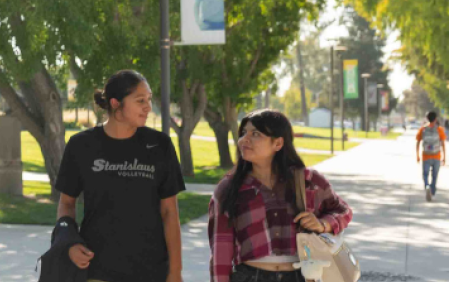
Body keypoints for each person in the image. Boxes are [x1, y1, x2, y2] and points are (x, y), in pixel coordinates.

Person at [55, 70, 185, 282]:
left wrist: (175, 272)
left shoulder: (160, 146)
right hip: (97, 269)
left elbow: (170, 212)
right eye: (140, 100)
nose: (148, 107)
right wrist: (69, 241)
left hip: (151, 271)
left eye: (149, 99)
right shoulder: (81, 146)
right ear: (116, 104)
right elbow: (66, 203)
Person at [208, 110, 353, 282]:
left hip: (301, 276)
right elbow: (220, 251)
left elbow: (343, 211)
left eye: (255, 134)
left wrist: (323, 224)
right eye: (243, 133)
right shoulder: (228, 188)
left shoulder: (309, 181)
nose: (244, 139)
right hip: (249, 277)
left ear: (278, 143)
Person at [416, 111, 444, 201]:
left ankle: (427, 186)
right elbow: (443, 143)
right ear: (435, 119)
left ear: (427, 118)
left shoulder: (423, 129)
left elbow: (418, 142)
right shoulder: (439, 129)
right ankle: (432, 191)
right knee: (435, 175)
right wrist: (444, 157)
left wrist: (417, 155)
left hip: (426, 156)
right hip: (436, 156)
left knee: (425, 174)